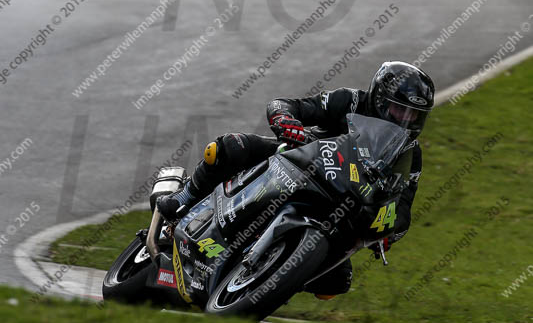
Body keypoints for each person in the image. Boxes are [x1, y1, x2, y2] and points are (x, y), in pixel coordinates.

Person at [158, 61, 435, 299]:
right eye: (399, 110)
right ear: (379, 99)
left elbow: (404, 208)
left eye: (415, 115)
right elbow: (290, 105)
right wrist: (285, 120)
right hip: (298, 161)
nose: (406, 119)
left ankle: (269, 280)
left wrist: (389, 231)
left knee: (336, 284)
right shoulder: (350, 101)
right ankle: (184, 198)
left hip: (341, 208)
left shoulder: (411, 154)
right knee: (228, 147)